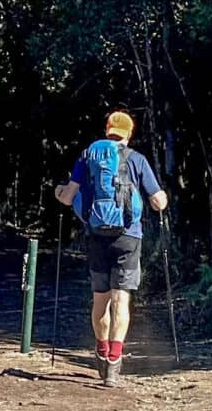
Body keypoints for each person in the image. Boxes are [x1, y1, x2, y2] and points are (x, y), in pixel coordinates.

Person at [53, 110, 168, 387]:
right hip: (128, 237)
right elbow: (158, 201)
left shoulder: (88, 156)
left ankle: (101, 351)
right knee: (121, 300)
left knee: (101, 299)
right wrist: (162, 199)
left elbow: (68, 199)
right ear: (129, 134)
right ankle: (114, 364)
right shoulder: (137, 160)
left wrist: (58, 191)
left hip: (96, 236)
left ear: (107, 131)